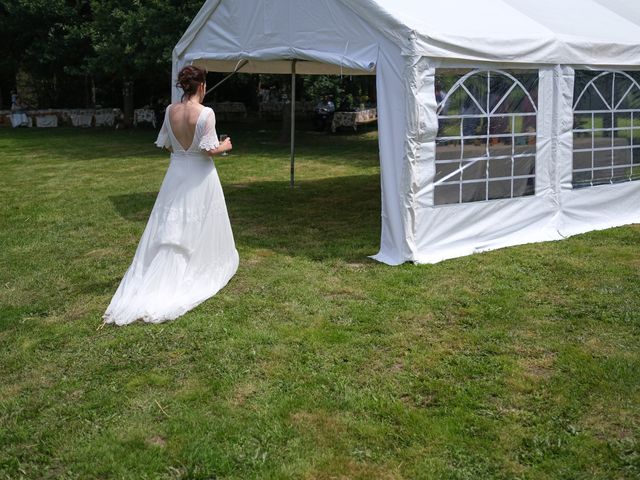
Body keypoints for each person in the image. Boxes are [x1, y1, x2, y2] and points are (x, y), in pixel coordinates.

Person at [103, 65, 238, 326]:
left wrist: (181, 154)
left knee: (173, 221)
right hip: (199, 174)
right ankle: (197, 266)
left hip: (176, 172)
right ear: (202, 86)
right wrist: (226, 146)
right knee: (199, 220)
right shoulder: (206, 113)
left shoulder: (169, 111)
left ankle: (164, 272)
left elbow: (165, 144)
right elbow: (209, 150)